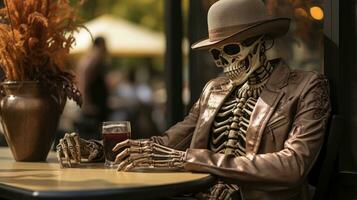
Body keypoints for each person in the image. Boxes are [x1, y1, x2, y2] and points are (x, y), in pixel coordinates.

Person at [56, 0, 331, 199]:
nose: (224, 62)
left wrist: (188, 158)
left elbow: (293, 165)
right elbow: (166, 144)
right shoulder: (214, 89)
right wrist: (96, 150)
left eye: (232, 49)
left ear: (263, 42)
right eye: (217, 54)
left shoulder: (306, 86)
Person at [74, 37, 110, 140]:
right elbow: (84, 78)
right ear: (100, 45)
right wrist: (86, 103)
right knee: (93, 136)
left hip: (95, 104)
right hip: (94, 105)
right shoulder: (95, 56)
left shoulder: (90, 56)